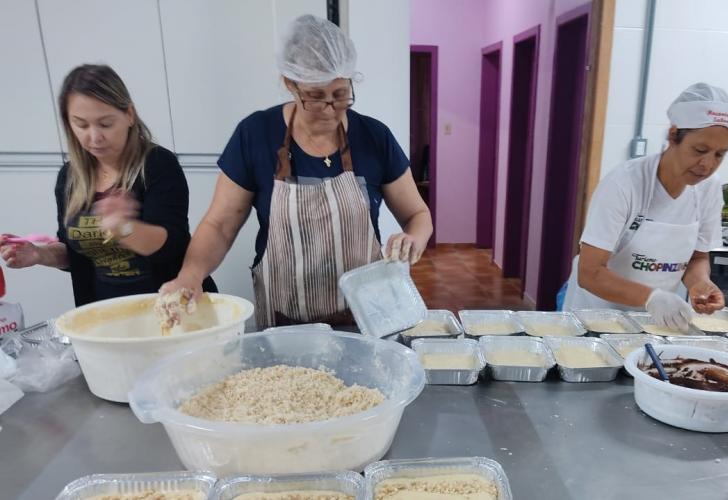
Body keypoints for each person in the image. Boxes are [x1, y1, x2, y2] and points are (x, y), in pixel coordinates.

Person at [161, 15, 432, 329]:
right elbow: (220, 225)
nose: (330, 109)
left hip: (366, 317)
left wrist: (414, 239)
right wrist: (190, 276)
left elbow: (417, 214)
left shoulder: (374, 136)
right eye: (316, 97)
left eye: (341, 94)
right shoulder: (256, 134)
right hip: (285, 322)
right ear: (290, 83)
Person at [0, 64, 215, 306]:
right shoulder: (69, 177)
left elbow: (170, 246)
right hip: (105, 311)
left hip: (170, 305)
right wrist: (40, 254)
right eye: (81, 125)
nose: (94, 137)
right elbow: (75, 255)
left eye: (105, 124)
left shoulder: (157, 165)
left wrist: (123, 228)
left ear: (129, 115)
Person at [563, 82, 728, 330]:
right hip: (598, 318)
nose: (707, 165)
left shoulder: (709, 188)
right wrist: (652, 297)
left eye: (720, 154)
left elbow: (698, 257)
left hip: (657, 322)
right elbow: (590, 272)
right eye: (700, 150)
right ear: (673, 135)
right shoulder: (625, 183)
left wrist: (699, 282)